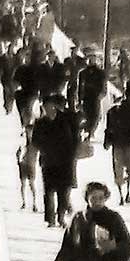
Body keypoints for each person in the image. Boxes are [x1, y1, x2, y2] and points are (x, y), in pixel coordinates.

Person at [31, 94, 81, 226]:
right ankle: (50, 219)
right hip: (48, 161)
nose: (47, 109)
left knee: (63, 190)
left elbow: (75, 138)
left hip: (65, 160)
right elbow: (35, 142)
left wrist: (73, 154)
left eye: (49, 106)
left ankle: (60, 216)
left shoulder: (67, 120)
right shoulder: (40, 123)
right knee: (48, 190)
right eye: (45, 106)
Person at [103, 82, 130, 206]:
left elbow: (109, 127)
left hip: (118, 143)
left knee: (118, 170)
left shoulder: (114, 109)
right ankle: (127, 192)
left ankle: (121, 195)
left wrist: (107, 141)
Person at [77, 53, 108, 139]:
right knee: (87, 116)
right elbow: (79, 87)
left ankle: (90, 131)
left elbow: (104, 85)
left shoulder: (100, 73)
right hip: (86, 97)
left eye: (93, 59)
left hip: (96, 97)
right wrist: (79, 100)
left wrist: (102, 94)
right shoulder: (83, 73)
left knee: (96, 116)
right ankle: (87, 131)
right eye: (89, 59)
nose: (90, 61)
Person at [16, 142, 39, 212]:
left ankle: (26, 203)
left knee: (25, 184)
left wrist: (18, 158)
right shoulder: (36, 146)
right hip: (30, 165)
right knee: (31, 184)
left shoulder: (26, 144)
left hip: (25, 164)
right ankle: (33, 203)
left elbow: (18, 154)